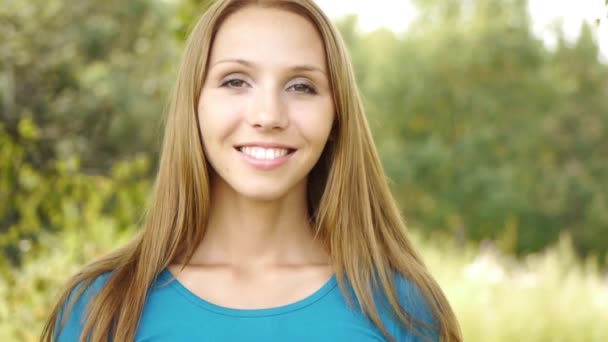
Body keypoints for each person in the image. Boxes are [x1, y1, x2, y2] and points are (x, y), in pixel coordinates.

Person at [42, 0, 462, 341]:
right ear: (195, 105)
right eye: (235, 81)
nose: (268, 115)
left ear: (337, 116)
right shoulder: (100, 307)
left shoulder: (403, 309)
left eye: (301, 86)